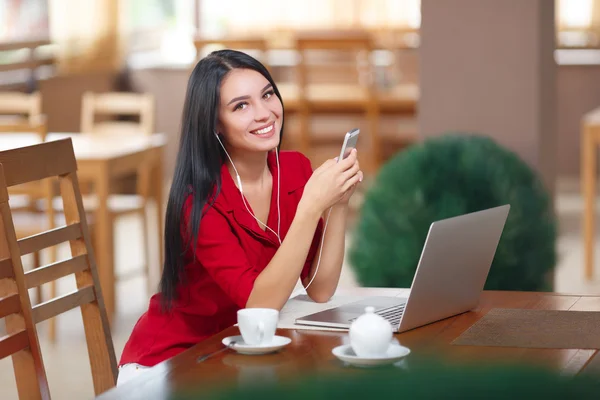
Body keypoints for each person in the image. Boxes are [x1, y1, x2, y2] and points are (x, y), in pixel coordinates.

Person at [116, 49, 362, 386]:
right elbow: (260, 305)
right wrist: (311, 206)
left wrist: (337, 204)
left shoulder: (295, 170)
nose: (264, 114)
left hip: (239, 350)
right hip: (173, 363)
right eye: (241, 106)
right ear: (215, 123)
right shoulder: (199, 201)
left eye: (267, 95)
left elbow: (319, 289)